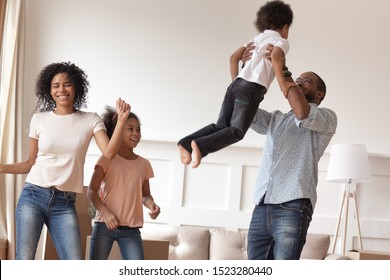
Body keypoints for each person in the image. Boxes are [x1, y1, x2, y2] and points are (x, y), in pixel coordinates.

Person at [0, 62, 131, 260]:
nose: (62, 89)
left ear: (76, 87)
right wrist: (1, 167)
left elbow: (109, 152)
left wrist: (121, 121)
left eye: (67, 84)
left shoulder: (91, 120)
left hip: (64, 203)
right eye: (56, 85)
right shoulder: (39, 119)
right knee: (24, 260)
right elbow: (29, 163)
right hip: (33, 196)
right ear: (49, 91)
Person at [243, 45, 338, 259]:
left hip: (293, 205)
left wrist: (282, 68)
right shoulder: (275, 118)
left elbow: (303, 112)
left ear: (319, 94)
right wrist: (245, 69)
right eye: (299, 79)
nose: (300, 82)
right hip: (262, 204)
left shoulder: (326, 118)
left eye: (307, 81)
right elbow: (243, 108)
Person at [178, 0, 295, 168]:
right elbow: (276, 56)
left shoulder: (256, 39)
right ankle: (200, 147)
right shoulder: (281, 41)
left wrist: (236, 81)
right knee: (237, 131)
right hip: (252, 88)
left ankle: (186, 144)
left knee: (221, 126)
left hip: (236, 85)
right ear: (285, 26)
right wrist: (283, 84)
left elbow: (233, 57)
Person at [87, 107, 160, 260]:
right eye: (130, 129)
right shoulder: (106, 159)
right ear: (117, 131)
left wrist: (152, 206)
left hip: (131, 230)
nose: (136, 133)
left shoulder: (144, 164)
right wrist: (105, 214)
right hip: (104, 226)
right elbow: (92, 191)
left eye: (138, 129)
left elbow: (145, 196)